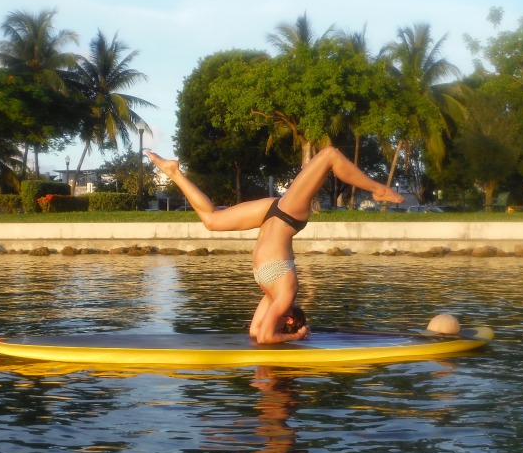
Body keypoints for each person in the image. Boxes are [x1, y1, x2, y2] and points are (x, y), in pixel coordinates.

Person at [146, 146, 404, 344]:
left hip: (270, 214)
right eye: (283, 324)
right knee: (329, 154)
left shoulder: (272, 298)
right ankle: (377, 188)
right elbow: (267, 338)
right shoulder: (286, 294)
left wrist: (292, 334)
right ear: (288, 318)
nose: (274, 320)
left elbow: (257, 332)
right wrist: (295, 336)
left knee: (212, 220)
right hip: (288, 216)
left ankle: (174, 172)